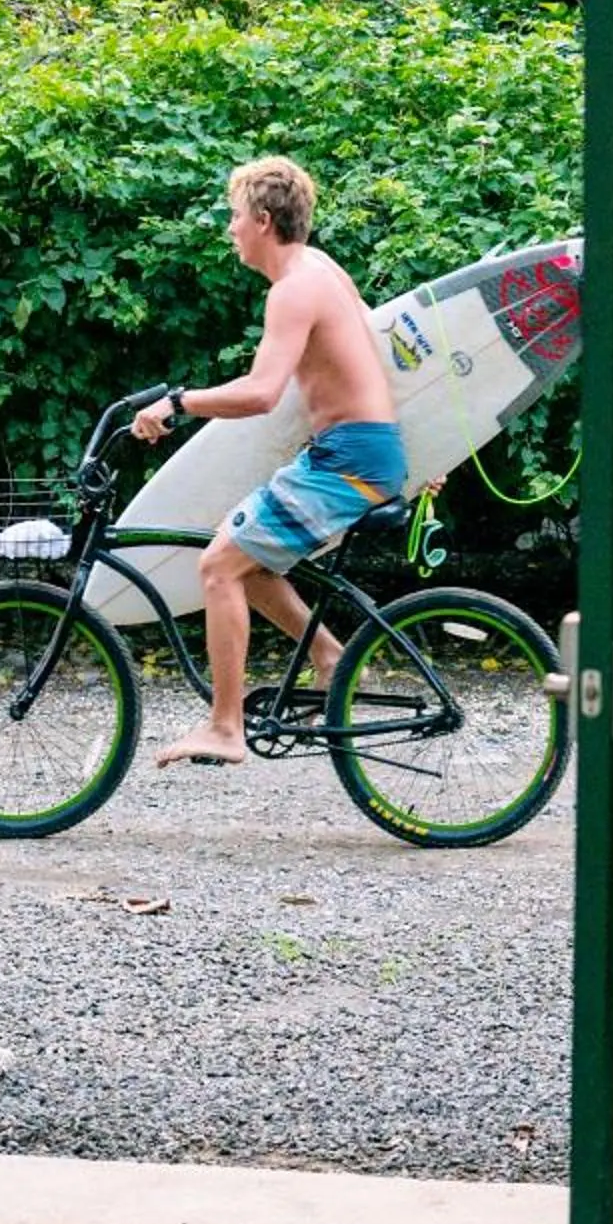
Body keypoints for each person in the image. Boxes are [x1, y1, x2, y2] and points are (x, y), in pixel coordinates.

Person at [131, 157, 407, 767]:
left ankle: (225, 729)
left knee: (217, 567)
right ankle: (330, 658)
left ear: (261, 219)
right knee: (243, 558)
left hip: (348, 458)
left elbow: (261, 393)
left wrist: (177, 403)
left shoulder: (293, 290)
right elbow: (376, 356)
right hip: (364, 450)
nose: (230, 229)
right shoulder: (321, 271)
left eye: (234, 216)